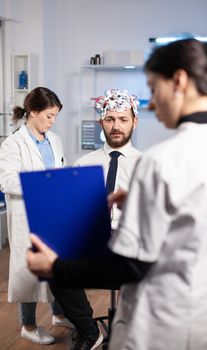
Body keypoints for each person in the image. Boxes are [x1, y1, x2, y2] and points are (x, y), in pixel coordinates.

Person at [27, 38, 207, 350]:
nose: (152, 103)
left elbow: (132, 265)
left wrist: (55, 267)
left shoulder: (160, 160)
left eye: (153, 89)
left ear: (177, 80)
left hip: (167, 326)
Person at [48, 88, 141, 350]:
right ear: (101, 122)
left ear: (134, 121)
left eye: (123, 119)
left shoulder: (148, 165)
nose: (116, 126)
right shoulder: (84, 163)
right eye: (110, 119)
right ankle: (89, 331)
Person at [0, 87, 73, 345]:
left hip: (52, 211)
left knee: (54, 263)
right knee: (29, 268)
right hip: (27, 214)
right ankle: (28, 325)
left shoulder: (54, 140)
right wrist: (44, 185)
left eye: (55, 117)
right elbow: (7, 181)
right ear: (32, 112)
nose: (53, 122)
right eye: (49, 116)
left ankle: (58, 313)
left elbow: (59, 170)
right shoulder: (13, 144)